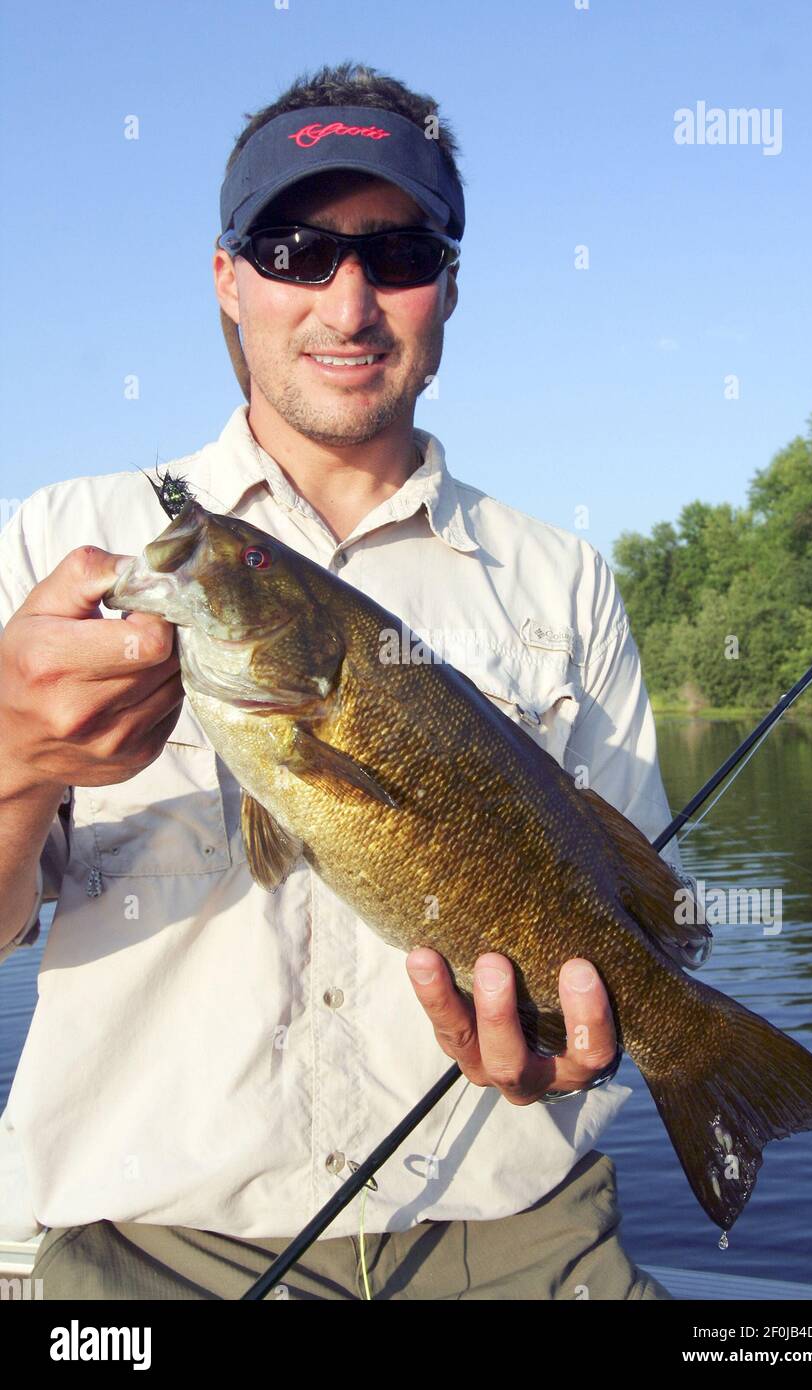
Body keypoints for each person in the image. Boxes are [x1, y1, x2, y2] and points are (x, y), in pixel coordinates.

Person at [0, 61, 680, 1300]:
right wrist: (10, 768)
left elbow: (636, 915)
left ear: (450, 290)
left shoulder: (564, 577)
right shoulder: (56, 544)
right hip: (154, 1258)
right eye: (296, 249)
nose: (348, 301)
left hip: (521, 1237)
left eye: (399, 253)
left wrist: (598, 1036)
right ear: (228, 279)